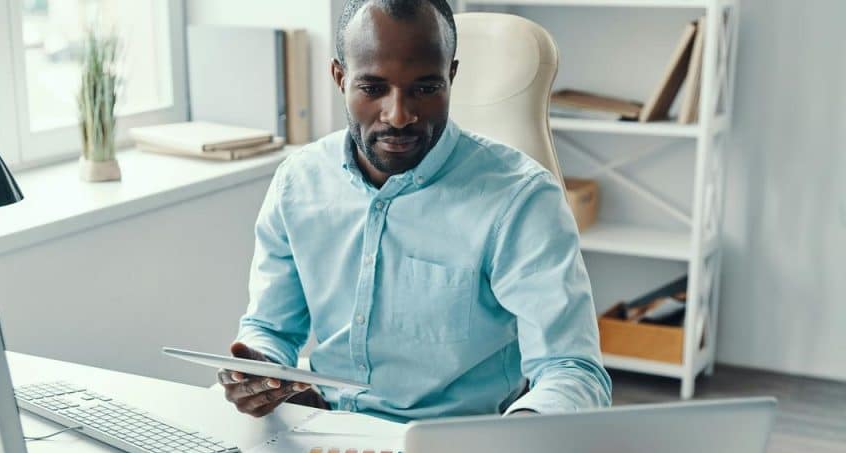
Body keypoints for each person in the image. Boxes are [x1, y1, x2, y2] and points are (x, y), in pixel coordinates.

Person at [219, 0, 611, 421]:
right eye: (372, 89)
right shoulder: (299, 181)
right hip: (321, 432)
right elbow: (271, 329)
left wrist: (522, 432)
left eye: (425, 89)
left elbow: (572, 369)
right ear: (340, 78)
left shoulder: (520, 198)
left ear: (451, 77)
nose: (399, 116)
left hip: (456, 448)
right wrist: (259, 370)